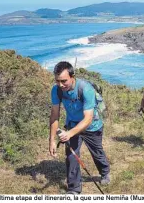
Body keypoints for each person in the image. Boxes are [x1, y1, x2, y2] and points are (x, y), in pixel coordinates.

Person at [49, 61, 110, 194]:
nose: (60, 85)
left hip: (92, 126)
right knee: (71, 156)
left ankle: (105, 172)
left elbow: (88, 119)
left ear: (73, 76)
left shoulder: (85, 89)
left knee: (97, 153)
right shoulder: (56, 90)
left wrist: (69, 133)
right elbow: (54, 115)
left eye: (64, 81)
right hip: (72, 125)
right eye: (57, 81)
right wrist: (52, 140)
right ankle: (74, 189)